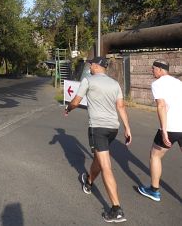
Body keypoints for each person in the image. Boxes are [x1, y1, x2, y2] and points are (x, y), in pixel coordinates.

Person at [65, 56, 131, 223]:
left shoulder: (89, 80)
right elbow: (121, 106)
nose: (89, 68)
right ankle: (88, 181)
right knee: (99, 159)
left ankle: (116, 209)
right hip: (113, 129)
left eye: (91, 65)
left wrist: (68, 108)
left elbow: (76, 101)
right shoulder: (115, 83)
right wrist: (127, 128)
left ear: (96, 66)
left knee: (106, 166)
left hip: (98, 129)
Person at [138, 59, 182, 202]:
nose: (151, 71)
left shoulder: (157, 84)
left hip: (170, 127)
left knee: (155, 156)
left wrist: (163, 130)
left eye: (153, 69)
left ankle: (154, 190)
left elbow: (161, 106)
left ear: (160, 70)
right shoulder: (179, 83)